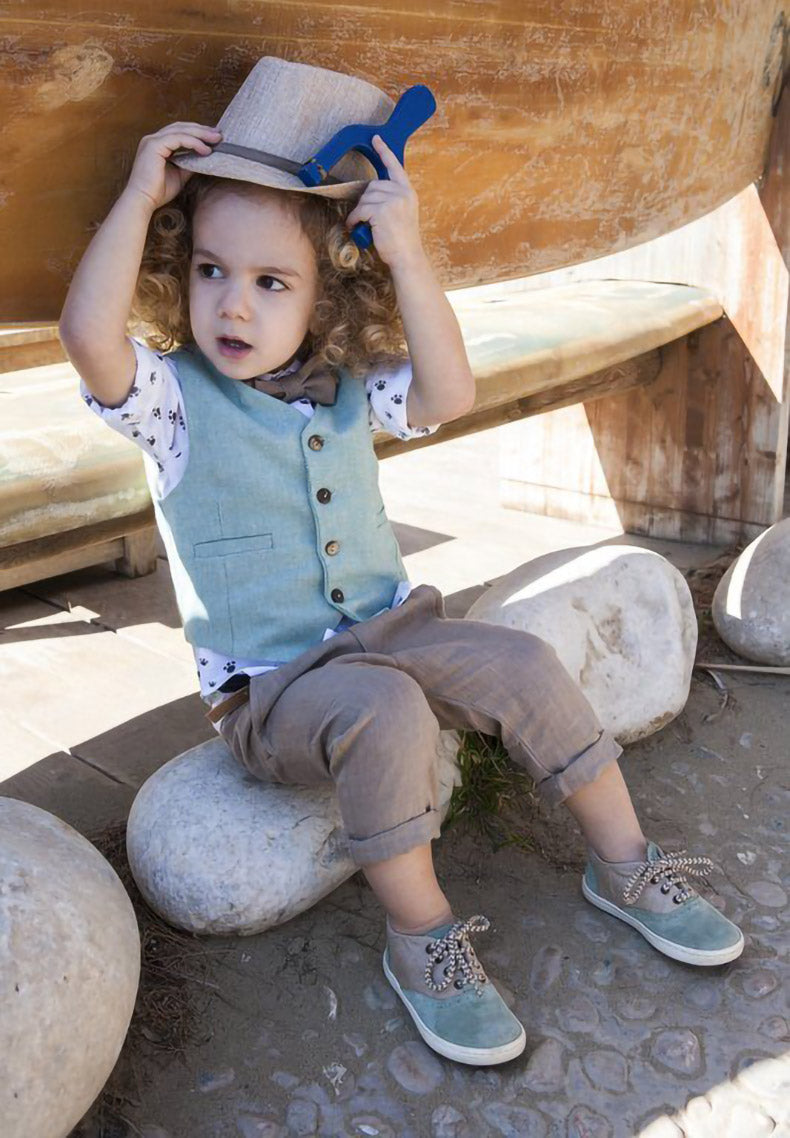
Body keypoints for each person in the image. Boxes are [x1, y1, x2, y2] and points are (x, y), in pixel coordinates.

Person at [59, 56, 744, 1068]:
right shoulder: (171, 405)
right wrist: (136, 194)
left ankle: (626, 864)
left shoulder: (347, 387)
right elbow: (86, 332)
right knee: (386, 709)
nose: (233, 306)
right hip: (275, 685)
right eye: (210, 270)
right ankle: (422, 938)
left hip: (398, 628)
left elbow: (449, 389)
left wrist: (411, 254)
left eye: (268, 281)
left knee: (520, 664)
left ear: (326, 294)